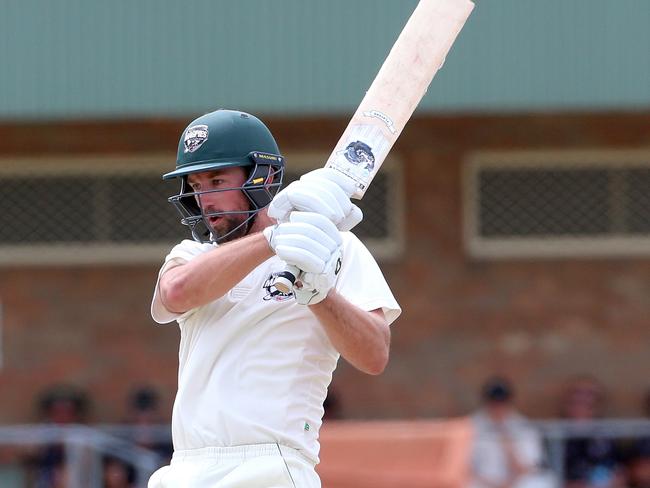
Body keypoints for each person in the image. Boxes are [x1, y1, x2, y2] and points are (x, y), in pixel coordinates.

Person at [148, 109, 400, 487]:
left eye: (217, 180)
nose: (206, 200)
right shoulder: (192, 255)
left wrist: (319, 295)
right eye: (197, 186)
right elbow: (177, 292)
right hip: (185, 468)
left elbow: (375, 353)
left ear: (260, 177)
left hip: (270, 467)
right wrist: (274, 238)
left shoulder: (334, 247)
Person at [469, 377, 556, 488]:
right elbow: (465, 467)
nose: (498, 407)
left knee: (541, 482)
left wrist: (507, 443)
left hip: (517, 481)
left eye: (502, 402)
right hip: (483, 481)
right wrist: (491, 483)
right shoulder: (471, 425)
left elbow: (530, 466)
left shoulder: (524, 426)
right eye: (493, 402)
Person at [560, 376, 624, 488]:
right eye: (577, 394)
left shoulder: (608, 436)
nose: (583, 399)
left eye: (589, 394)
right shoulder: (555, 435)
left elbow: (620, 471)